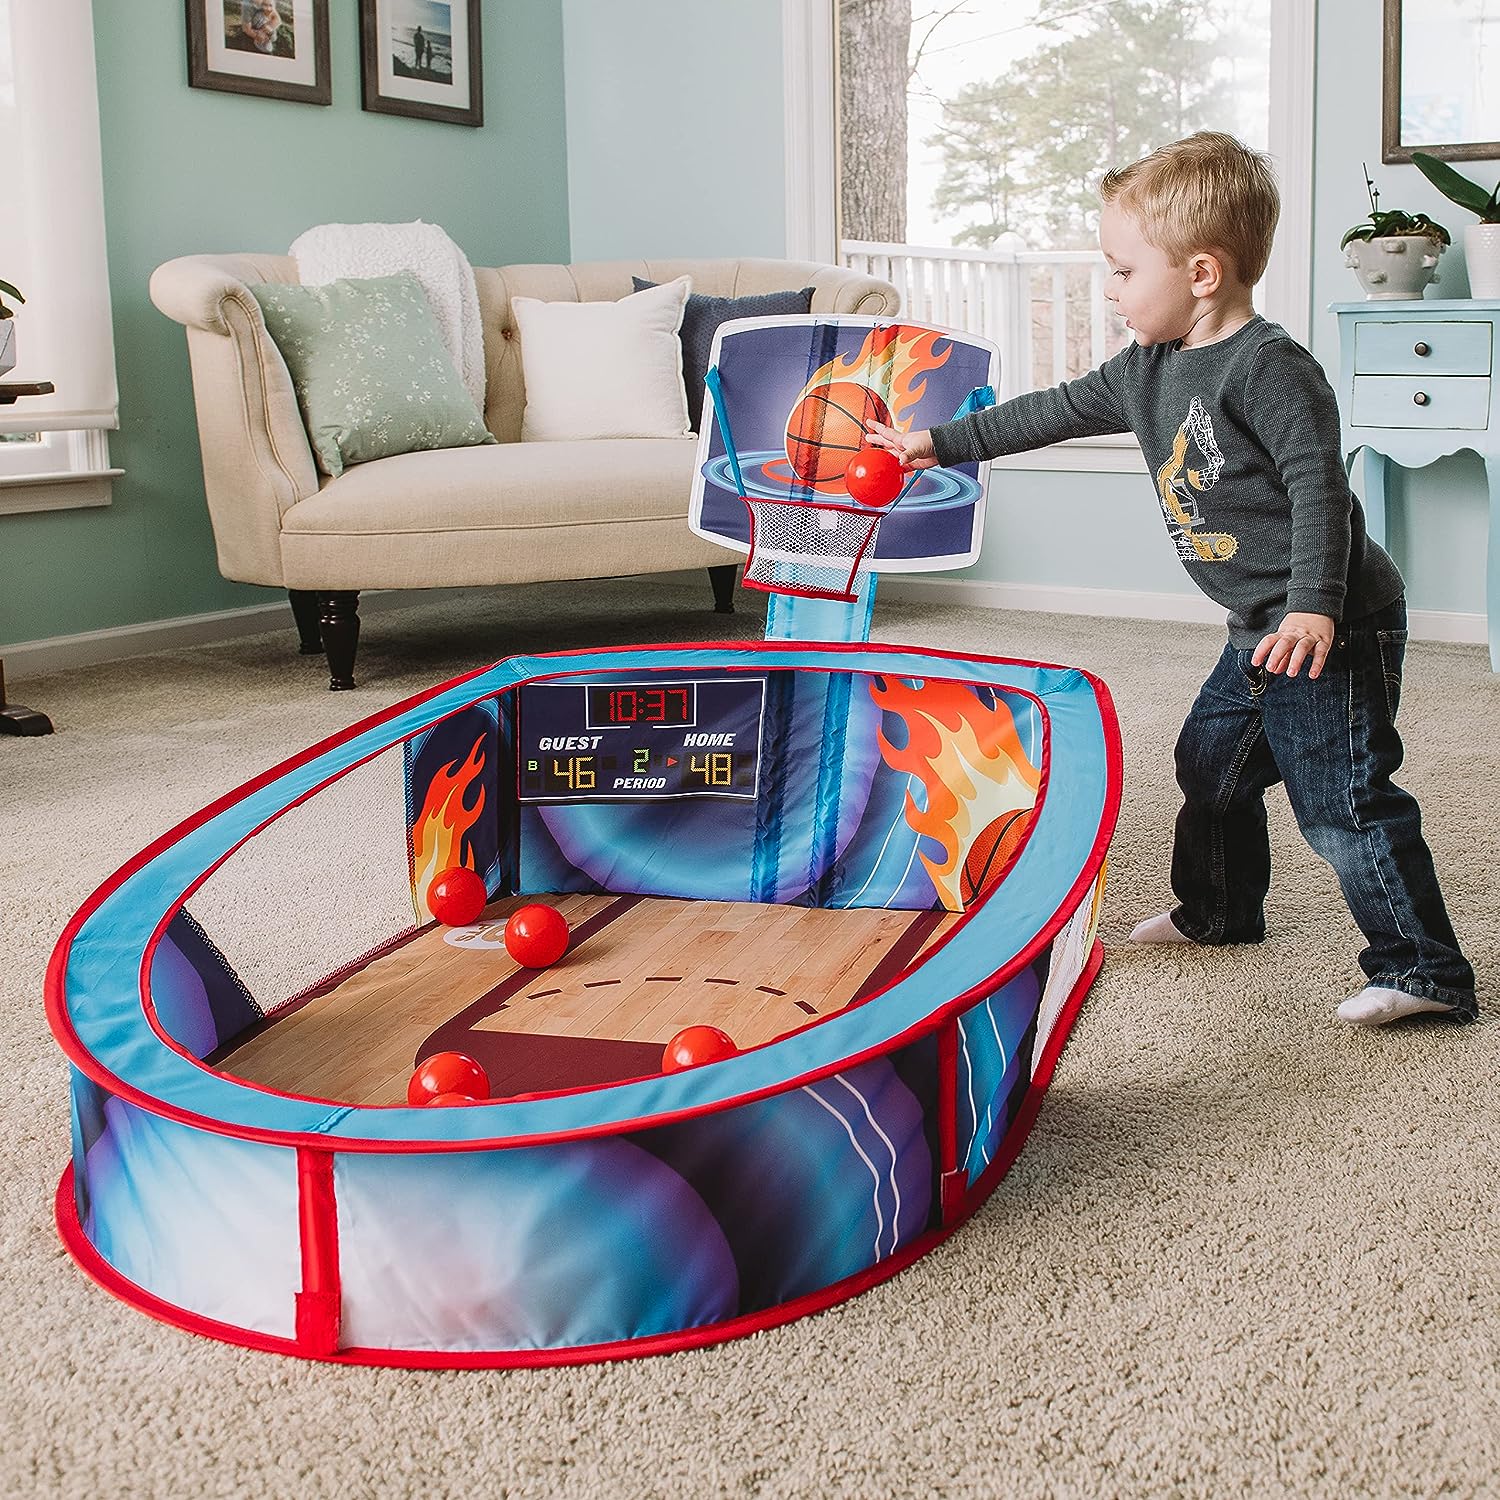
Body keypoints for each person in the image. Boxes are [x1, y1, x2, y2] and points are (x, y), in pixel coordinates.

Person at [868, 131, 1477, 1029]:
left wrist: (1314, 605)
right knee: (1210, 765)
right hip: (1255, 628)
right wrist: (939, 443)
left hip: (1328, 626)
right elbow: (1058, 409)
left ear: (1201, 271)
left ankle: (1425, 969)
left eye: (1121, 271)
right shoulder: (1148, 368)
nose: (1110, 289)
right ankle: (1220, 913)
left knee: (1343, 800)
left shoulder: (1270, 367)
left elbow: (1320, 487)